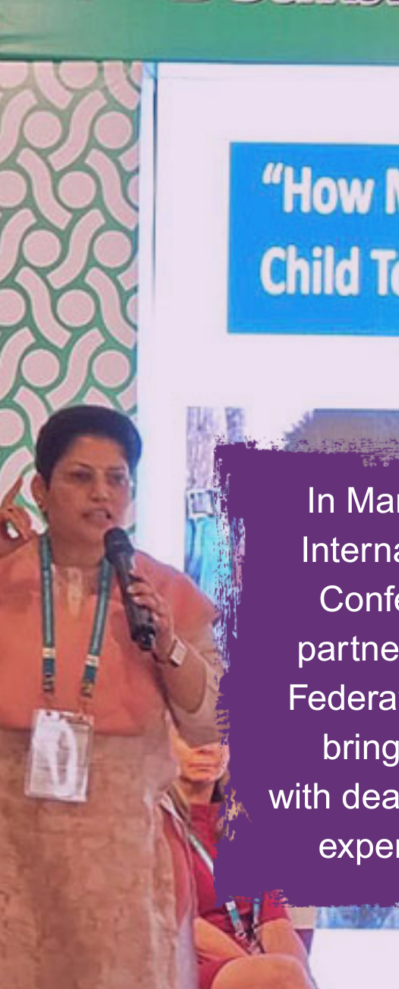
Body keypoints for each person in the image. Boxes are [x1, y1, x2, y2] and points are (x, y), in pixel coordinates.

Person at [0, 405, 222, 989]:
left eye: (117, 479)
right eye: (81, 477)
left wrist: (169, 644)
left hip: (122, 864)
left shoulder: (164, 591)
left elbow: (211, 724)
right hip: (12, 857)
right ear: (41, 490)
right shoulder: (5, 579)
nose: (102, 494)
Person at [171, 732, 313, 989]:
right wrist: (262, 970)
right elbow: (185, 926)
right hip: (185, 966)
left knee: (289, 972)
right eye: (190, 736)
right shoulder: (154, 824)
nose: (206, 748)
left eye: (218, 737)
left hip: (255, 968)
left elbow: (275, 921)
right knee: (281, 975)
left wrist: (306, 980)